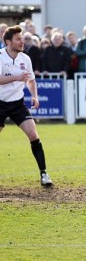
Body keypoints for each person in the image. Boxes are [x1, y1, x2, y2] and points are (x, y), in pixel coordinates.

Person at [0, 25, 53, 187]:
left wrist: (34, 96)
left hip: (17, 103)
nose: (22, 41)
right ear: (8, 41)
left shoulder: (25, 58)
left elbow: (30, 80)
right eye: (18, 39)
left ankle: (44, 174)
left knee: (33, 135)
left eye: (22, 38)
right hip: (0, 103)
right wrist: (15, 77)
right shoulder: (0, 56)